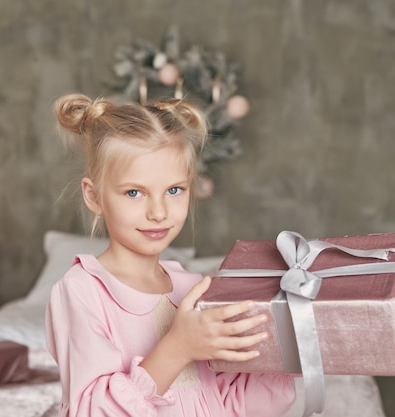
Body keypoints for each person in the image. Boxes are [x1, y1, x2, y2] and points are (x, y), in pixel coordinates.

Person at [45, 93, 296, 417]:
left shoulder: (192, 289)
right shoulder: (82, 291)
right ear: (94, 196)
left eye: (174, 190)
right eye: (134, 192)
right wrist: (178, 348)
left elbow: (235, 406)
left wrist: (285, 351)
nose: (159, 212)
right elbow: (94, 411)